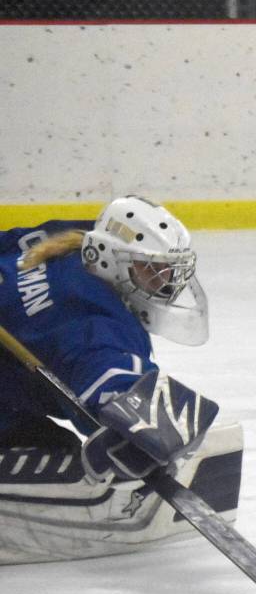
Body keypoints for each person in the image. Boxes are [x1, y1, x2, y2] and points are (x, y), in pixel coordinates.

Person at [0, 195, 241, 563]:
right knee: (50, 452)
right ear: (109, 258)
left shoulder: (63, 240)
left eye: (168, 273)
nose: (165, 286)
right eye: (151, 271)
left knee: (43, 440)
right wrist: (143, 435)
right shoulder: (98, 324)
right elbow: (118, 387)